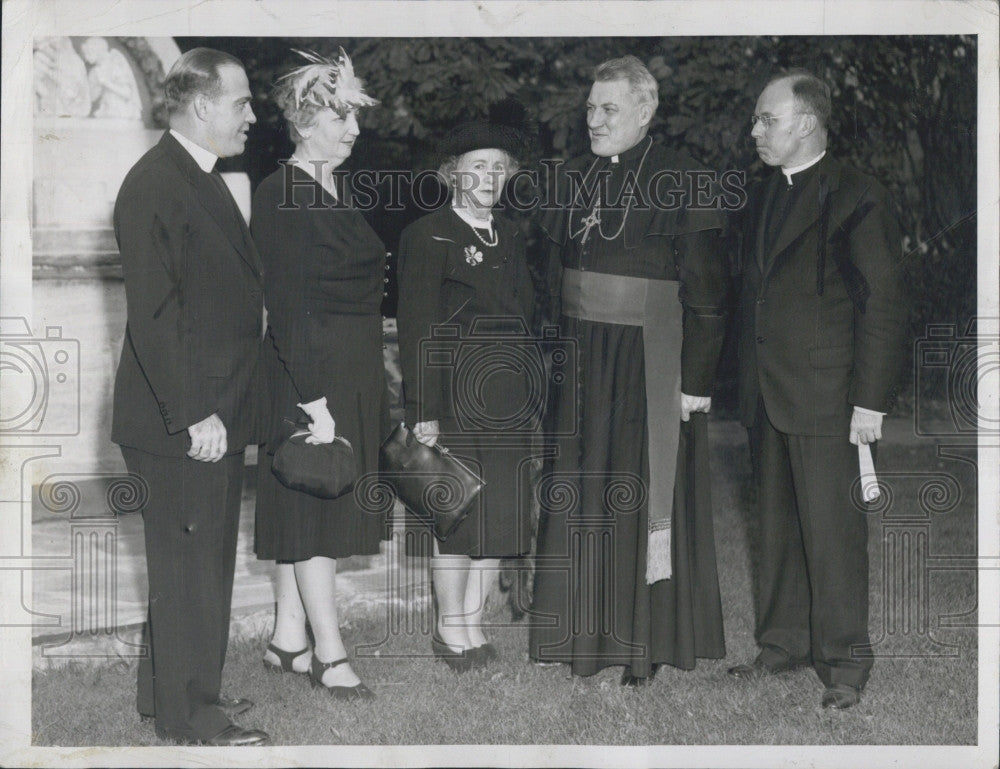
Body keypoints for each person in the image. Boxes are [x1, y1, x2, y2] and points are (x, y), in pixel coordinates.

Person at [529, 55, 729, 685]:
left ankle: (643, 650)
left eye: (608, 108)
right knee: (584, 493)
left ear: (645, 111)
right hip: (583, 359)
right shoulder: (573, 177)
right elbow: (548, 275)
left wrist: (695, 380)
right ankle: (583, 639)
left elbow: (706, 293)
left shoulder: (686, 180)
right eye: (589, 108)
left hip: (648, 359)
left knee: (639, 496)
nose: (594, 119)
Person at [727, 69, 908, 709]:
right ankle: (781, 646)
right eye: (756, 120)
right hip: (767, 392)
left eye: (765, 119)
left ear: (805, 123)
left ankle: (845, 666)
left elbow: (884, 302)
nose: (755, 131)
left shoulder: (859, 193)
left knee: (833, 533)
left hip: (830, 395)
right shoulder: (761, 193)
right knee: (775, 526)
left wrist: (870, 400)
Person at [111, 48, 268, 745]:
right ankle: (192, 716)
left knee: (195, 562)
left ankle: (163, 693)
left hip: (211, 407)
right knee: (191, 568)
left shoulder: (196, 175)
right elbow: (153, 314)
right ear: (202, 105)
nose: (252, 115)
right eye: (242, 102)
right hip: (182, 415)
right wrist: (195, 412)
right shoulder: (155, 184)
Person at [252, 49, 386, 700]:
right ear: (304, 122)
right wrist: (315, 401)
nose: (352, 129)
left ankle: (287, 637)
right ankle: (329, 655)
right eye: (339, 117)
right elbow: (287, 308)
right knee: (314, 512)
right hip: (309, 375)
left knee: (304, 502)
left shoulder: (337, 185)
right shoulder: (280, 193)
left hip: (349, 366)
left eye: (354, 118)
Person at [396, 100, 537, 671]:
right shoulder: (428, 235)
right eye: (477, 166)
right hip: (453, 402)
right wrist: (424, 413)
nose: (490, 179)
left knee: (496, 519)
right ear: (452, 172)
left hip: (505, 401)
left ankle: (474, 627)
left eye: (500, 168)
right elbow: (417, 330)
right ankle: (449, 631)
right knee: (457, 519)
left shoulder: (512, 235)